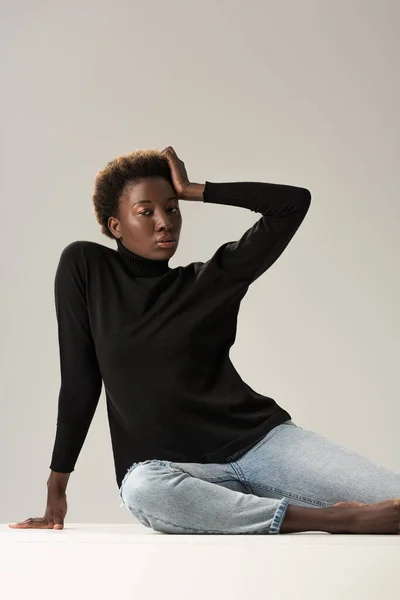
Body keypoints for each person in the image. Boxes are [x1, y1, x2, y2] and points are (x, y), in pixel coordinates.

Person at [9, 146, 400, 535]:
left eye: (172, 208)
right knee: (142, 490)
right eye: (146, 212)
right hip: (172, 473)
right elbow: (80, 381)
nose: (164, 222)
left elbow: (293, 203)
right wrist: (56, 487)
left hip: (263, 447)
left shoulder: (211, 279)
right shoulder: (85, 267)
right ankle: (338, 519)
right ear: (115, 226)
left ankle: (249, 512)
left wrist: (197, 189)